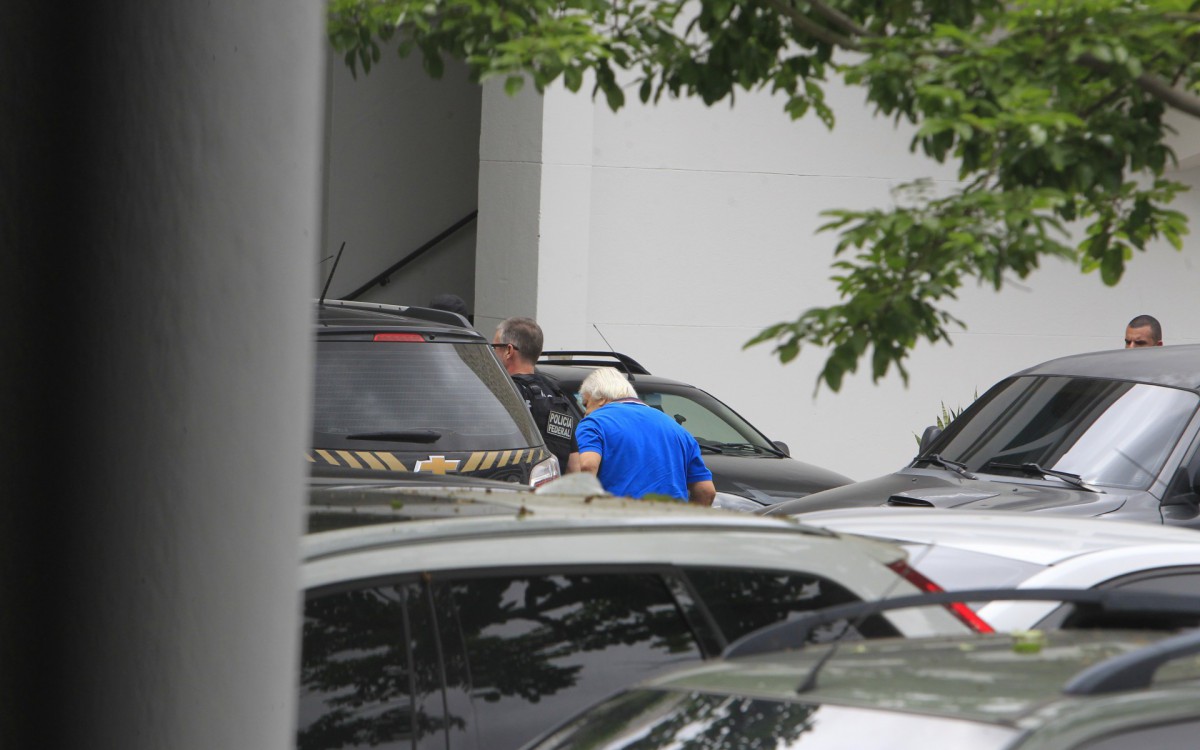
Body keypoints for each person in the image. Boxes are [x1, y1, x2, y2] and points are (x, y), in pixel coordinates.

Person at [575, 367, 716, 505]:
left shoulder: (594, 422)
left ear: (601, 399)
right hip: (670, 517)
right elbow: (706, 491)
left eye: (586, 404)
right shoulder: (679, 431)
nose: (585, 413)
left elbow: (588, 465)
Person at [493, 317, 581, 473]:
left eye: (494, 347)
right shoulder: (557, 396)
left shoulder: (503, 392)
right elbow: (573, 466)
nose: (492, 353)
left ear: (509, 351)